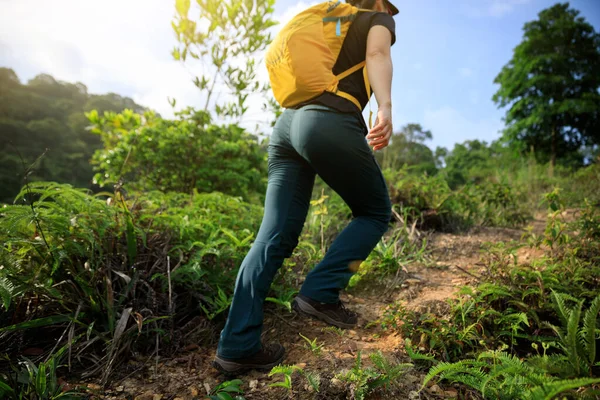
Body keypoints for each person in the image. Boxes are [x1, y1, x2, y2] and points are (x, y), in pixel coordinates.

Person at [213, 0, 398, 374]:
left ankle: (236, 346)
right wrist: (385, 107)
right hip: (327, 119)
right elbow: (377, 52)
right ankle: (319, 293)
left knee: (272, 235)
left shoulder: (323, 19)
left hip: (285, 126)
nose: (391, 15)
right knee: (375, 211)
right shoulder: (374, 19)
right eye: (389, 8)